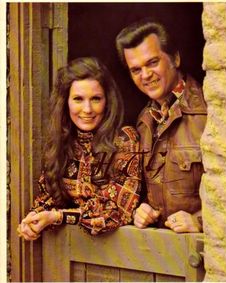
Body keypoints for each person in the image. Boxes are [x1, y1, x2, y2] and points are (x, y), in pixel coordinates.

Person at [17, 57, 141, 240]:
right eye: (78, 99)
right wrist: (34, 218)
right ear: (66, 102)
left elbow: (117, 211)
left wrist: (57, 217)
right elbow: (50, 197)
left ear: (108, 101)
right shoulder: (62, 142)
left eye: (96, 99)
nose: (87, 109)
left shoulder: (125, 140)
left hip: (113, 256)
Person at [116, 19, 207, 233]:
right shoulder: (143, 121)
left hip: (201, 258)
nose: (145, 75)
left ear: (175, 58)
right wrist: (141, 209)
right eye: (136, 69)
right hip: (160, 257)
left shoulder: (211, 111)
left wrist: (201, 222)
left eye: (152, 62)